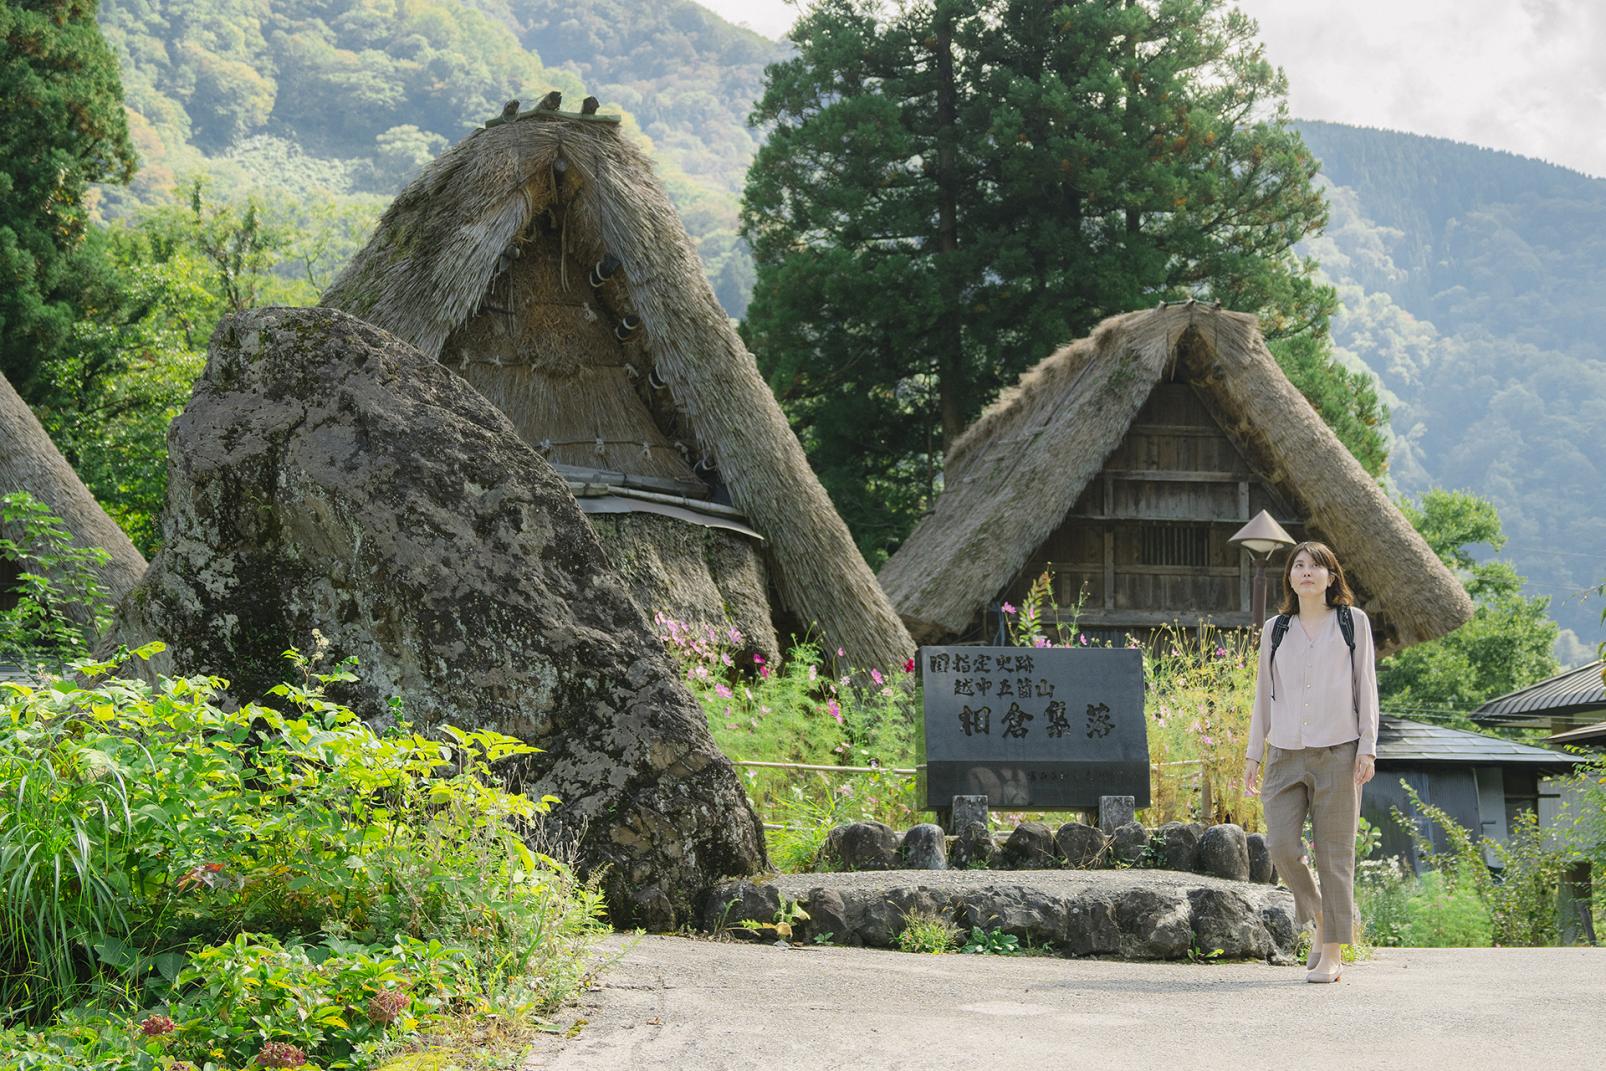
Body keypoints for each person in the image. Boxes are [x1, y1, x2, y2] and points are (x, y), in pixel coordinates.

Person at [1241, 540, 1379, 983]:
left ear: (1331, 577)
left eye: (1315, 566)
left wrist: (1368, 746)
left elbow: (1366, 686)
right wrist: (1253, 753)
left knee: (1336, 856)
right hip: (1284, 751)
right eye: (1298, 565)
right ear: (1290, 577)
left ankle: (1333, 953)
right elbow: (1263, 693)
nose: (1306, 572)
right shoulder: (1276, 629)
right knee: (1281, 845)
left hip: (1339, 750)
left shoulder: (1352, 623)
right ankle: (1323, 916)